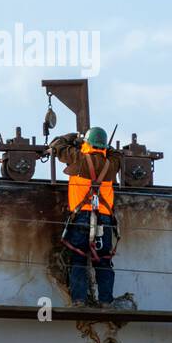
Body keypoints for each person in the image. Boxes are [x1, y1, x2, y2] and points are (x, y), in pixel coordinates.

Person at [49, 126, 122, 306]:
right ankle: (106, 301)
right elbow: (116, 153)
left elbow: (56, 144)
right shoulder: (112, 164)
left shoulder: (78, 157)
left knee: (78, 259)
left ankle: (79, 300)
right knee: (104, 260)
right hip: (104, 219)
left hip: (81, 217)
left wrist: (76, 138)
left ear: (87, 144)